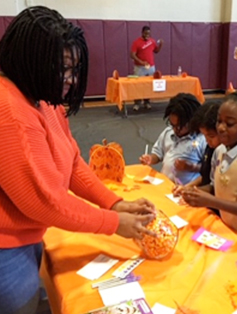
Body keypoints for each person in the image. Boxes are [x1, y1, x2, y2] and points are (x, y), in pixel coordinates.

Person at [0, 7, 156, 314]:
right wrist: (113, 222)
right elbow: (45, 201)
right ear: (30, 61)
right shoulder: (10, 111)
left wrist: (113, 202)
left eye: (74, 69)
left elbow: (72, 162)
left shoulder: (43, 97)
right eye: (63, 69)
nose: (70, 79)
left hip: (26, 238)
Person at [182, 90, 237, 242]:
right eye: (219, 121)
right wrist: (194, 192)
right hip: (229, 228)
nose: (221, 128)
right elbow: (216, 186)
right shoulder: (220, 150)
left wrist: (209, 201)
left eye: (229, 124)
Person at [139, 93, 206, 185]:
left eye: (179, 126)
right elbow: (158, 154)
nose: (175, 129)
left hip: (185, 190)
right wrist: (150, 159)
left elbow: (209, 171)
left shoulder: (202, 140)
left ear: (192, 121)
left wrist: (191, 167)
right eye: (172, 125)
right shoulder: (168, 132)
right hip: (164, 185)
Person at [172, 99, 222, 195]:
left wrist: (193, 192)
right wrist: (187, 187)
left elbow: (216, 188)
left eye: (211, 136)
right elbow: (205, 177)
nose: (207, 140)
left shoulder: (222, 152)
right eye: (204, 136)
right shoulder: (210, 148)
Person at [130, 25, 163, 111]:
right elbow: (132, 55)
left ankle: (147, 102)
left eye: (149, 33)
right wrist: (141, 61)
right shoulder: (136, 42)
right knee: (138, 85)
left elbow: (156, 51)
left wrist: (160, 46)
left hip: (150, 66)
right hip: (140, 67)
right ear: (142, 33)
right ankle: (137, 103)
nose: (147, 35)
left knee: (149, 85)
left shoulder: (152, 41)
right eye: (146, 33)